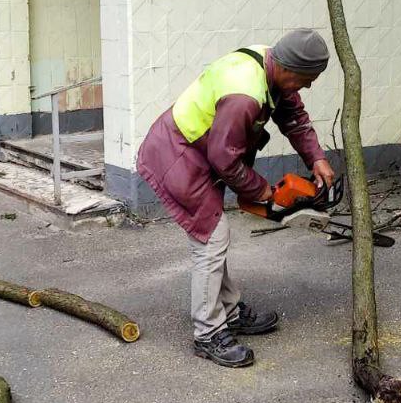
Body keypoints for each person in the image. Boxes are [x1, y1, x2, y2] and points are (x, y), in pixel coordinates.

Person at [136, 29, 335, 368]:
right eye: (307, 80)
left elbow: (293, 116)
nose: (309, 86)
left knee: (215, 239)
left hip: (199, 154)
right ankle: (208, 333)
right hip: (177, 156)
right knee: (211, 240)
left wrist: (315, 157)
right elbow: (225, 159)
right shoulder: (245, 93)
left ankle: (227, 311)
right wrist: (264, 192)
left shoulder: (269, 64)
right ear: (288, 69)